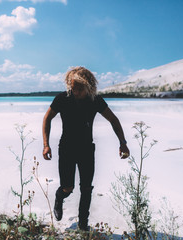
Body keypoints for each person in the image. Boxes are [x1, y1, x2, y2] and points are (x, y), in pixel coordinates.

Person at [42, 66, 130, 231]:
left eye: (79, 89)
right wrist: (46, 145)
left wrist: (122, 142)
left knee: (86, 188)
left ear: (89, 87)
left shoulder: (95, 100)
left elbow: (113, 119)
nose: (75, 92)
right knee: (68, 187)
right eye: (73, 88)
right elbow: (47, 118)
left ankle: (83, 225)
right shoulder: (62, 98)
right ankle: (59, 196)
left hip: (86, 149)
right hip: (67, 148)